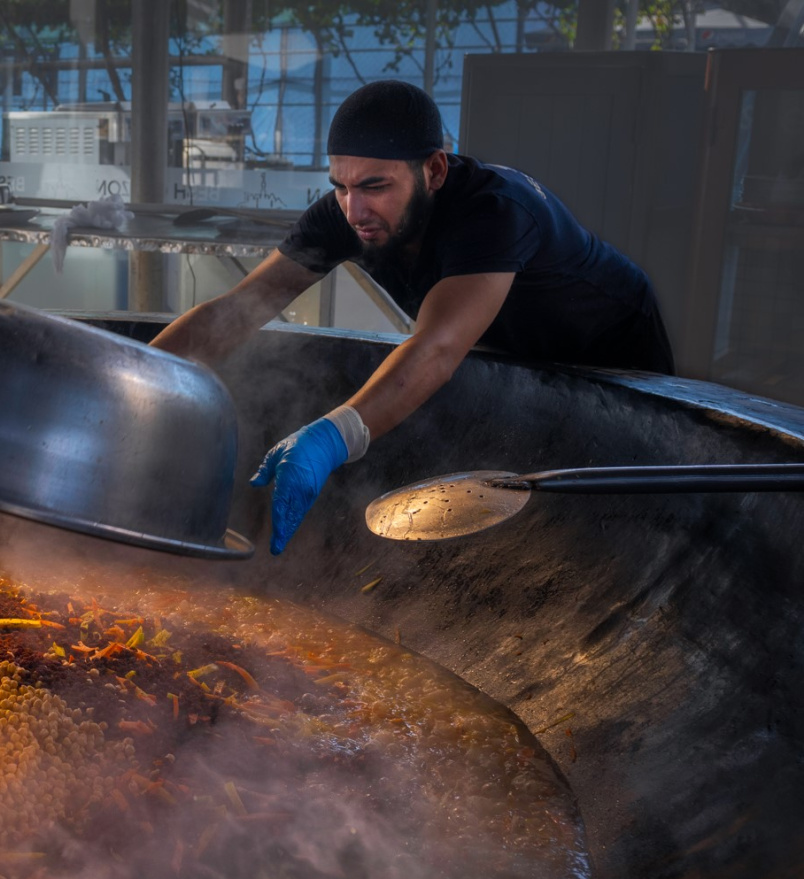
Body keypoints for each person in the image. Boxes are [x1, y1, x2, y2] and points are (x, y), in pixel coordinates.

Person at [152, 80, 674, 555]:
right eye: (341, 185)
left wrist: (330, 440)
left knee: (627, 515)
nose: (354, 210)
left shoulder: (496, 212)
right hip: (511, 352)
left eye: (375, 186)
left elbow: (437, 348)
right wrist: (134, 382)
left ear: (435, 170)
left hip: (613, 351)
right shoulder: (347, 213)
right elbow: (239, 309)